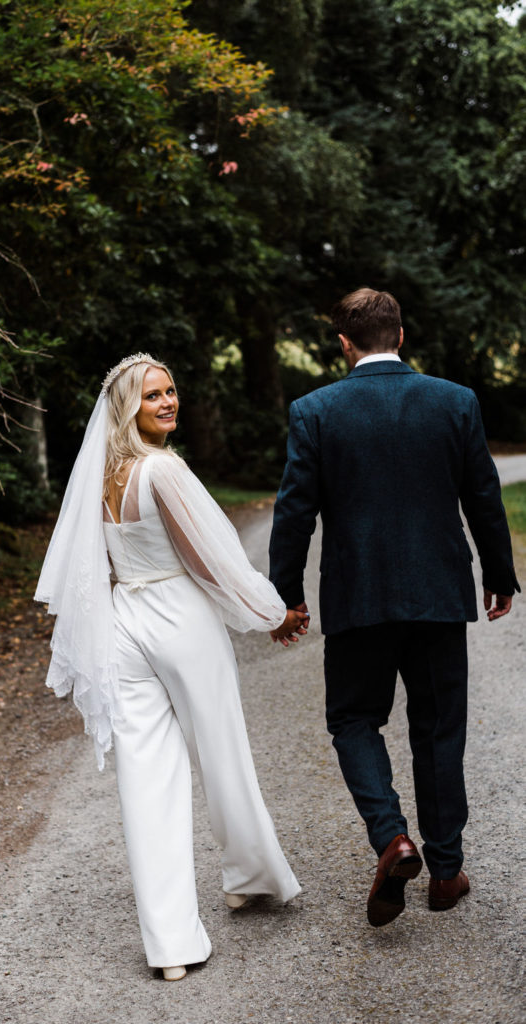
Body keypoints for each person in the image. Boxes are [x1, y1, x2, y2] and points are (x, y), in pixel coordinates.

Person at [35, 353, 304, 980]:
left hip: (124, 623)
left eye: (172, 390)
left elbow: (92, 566)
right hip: (179, 620)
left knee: (146, 781)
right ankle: (249, 877)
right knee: (222, 751)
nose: (169, 402)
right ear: (128, 407)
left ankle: (172, 947)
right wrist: (271, 613)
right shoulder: (162, 471)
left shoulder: (101, 474)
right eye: (153, 395)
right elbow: (210, 559)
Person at [269, 288, 519, 927]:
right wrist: (500, 575)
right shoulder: (454, 402)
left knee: (354, 721)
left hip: (358, 598)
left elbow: (295, 511)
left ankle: (392, 839)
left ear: (344, 343)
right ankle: (445, 871)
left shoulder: (314, 411)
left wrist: (287, 593)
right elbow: (483, 497)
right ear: (401, 337)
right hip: (437, 595)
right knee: (439, 729)